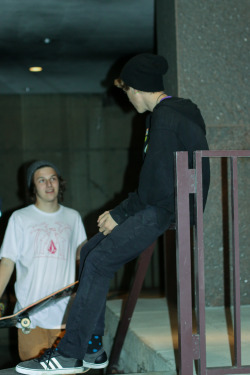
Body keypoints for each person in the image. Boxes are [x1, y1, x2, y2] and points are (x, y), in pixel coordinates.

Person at [15, 53, 210, 374]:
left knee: (99, 261)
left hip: (164, 209)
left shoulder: (164, 118)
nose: (128, 99)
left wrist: (120, 213)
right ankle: (93, 347)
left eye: (127, 92)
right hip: (170, 204)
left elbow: (155, 184)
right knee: (91, 250)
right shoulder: (180, 110)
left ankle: (70, 353)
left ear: (138, 88)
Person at [0, 160, 87, 361]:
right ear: (33, 187)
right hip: (31, 318)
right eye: (41, 180)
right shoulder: (19, 218)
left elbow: (81, 259)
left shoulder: (73, 217)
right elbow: (7, 262)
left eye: (53, 179)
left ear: (59, 183)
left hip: (65, 317)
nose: (49, 185)